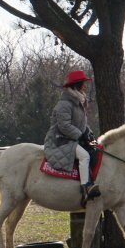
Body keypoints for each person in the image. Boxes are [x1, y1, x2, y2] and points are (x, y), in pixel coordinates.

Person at [43, 70, 100, 202]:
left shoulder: (79, 103)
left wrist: (89, 134)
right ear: (76, 85)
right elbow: (64, 126)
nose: (85, 86)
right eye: (83, 83)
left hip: (73, 139)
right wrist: (81, 136)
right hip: (61, 140)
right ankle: (85, 188)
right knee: (84, 156)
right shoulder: (64, 105)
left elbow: (82, 124)